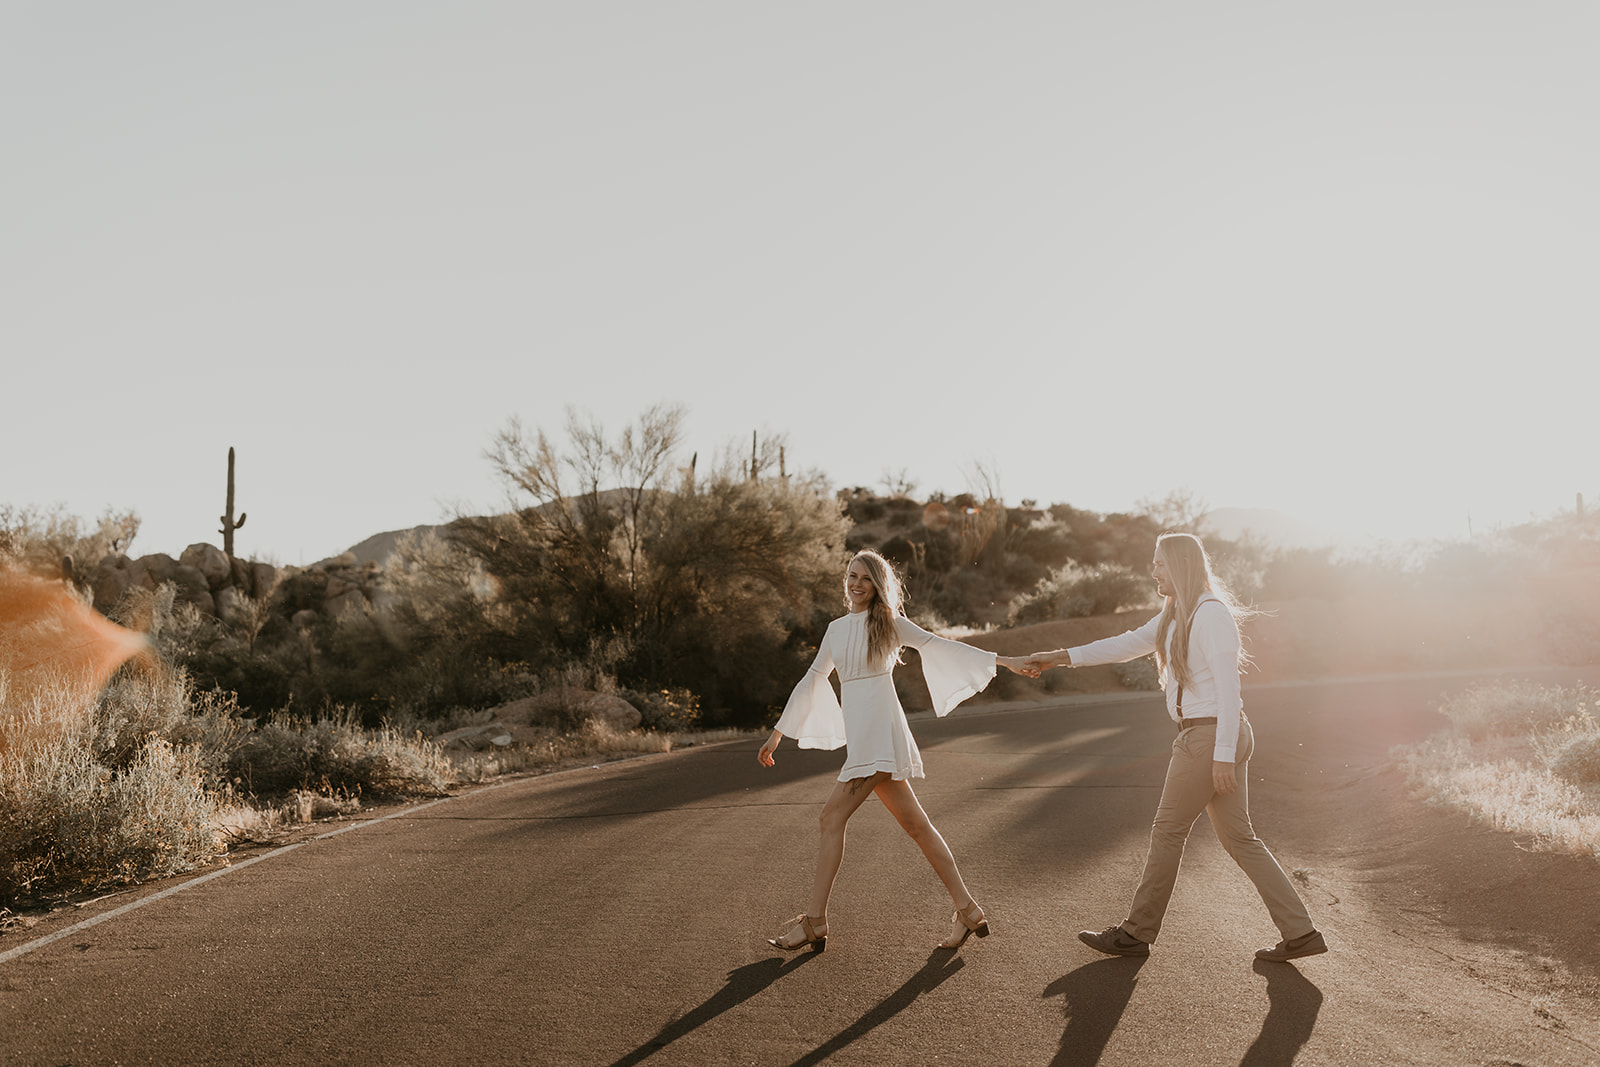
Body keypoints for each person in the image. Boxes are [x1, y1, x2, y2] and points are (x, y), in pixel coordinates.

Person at [1023, 532, 1327, 963]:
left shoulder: (1210, 615)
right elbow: (1125, 644)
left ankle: (1135, 932)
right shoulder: (1174, 614)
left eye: (1160, 564)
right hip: (1213, 734)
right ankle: (1301, 933)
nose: (1154, 571)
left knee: (1168, 830)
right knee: (1240, 838)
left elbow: (1229, 687)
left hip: (1209, 735)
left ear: (1181, 566)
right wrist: (1059, 656)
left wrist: (1222, 754)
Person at [758, 549, 1034, 953]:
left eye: (866, 578)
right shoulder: (836, 629)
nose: (856, 584)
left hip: (878, 737)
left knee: (830, 817)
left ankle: (815, 921)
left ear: (877, 586)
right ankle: (968, 910)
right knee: (917, 827)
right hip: (868, 737)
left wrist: (1004, 661)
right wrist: (779, 732)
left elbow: (940, 645)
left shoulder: (887, 622)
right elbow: (814, 676)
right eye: (852, 575)